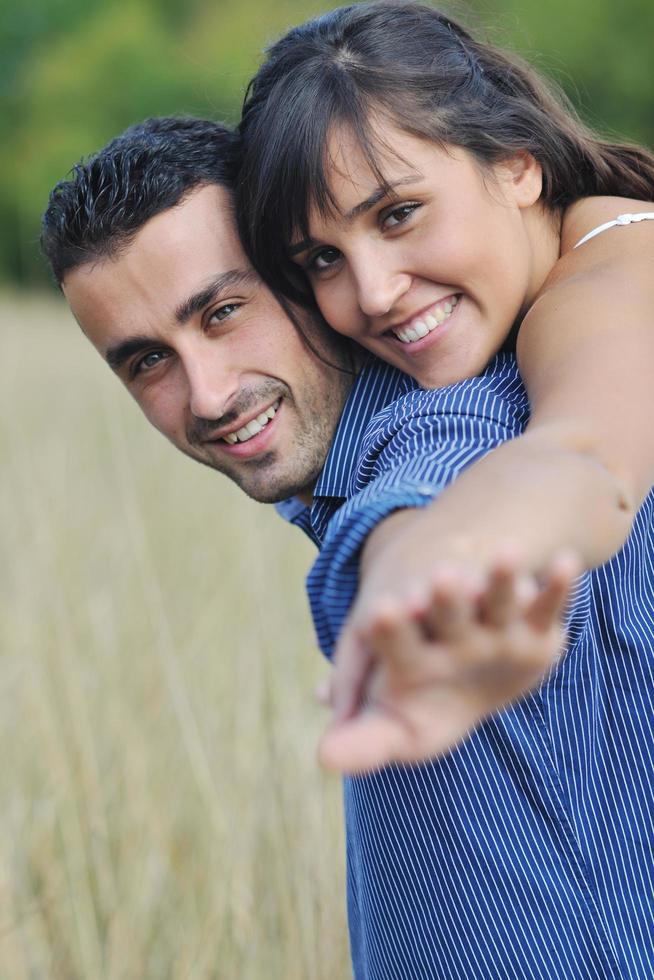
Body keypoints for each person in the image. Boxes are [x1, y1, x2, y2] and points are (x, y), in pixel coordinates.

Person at [41, 115, 602, 980]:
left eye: (224, 312)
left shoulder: (466, 435)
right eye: (148, 360)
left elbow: (427, 509)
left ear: (310, 275)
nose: (209, 394)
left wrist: (409, 589)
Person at [235, 0, 654, 771]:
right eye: (321, 259)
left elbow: (588, 456)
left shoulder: (614, 275)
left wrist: (437, 559)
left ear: (518, 164)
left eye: (399, 214)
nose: (372, 293)